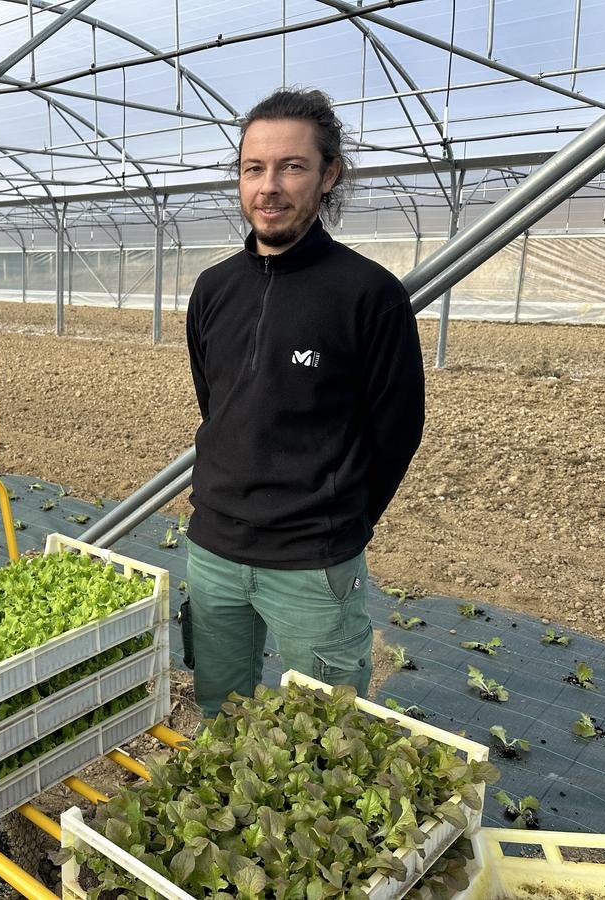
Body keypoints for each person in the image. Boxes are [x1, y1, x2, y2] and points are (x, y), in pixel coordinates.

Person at [183, 88, 425, 719]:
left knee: (324, 731)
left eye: (291, 166)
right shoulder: (214, 289)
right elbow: (218, 402)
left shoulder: (367, 295)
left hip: (313, 565)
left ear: (328, 176)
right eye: (253, 168)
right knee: (221, 708)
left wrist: (340, 520)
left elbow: (397, 430)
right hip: (213, 550)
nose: (269, 187)